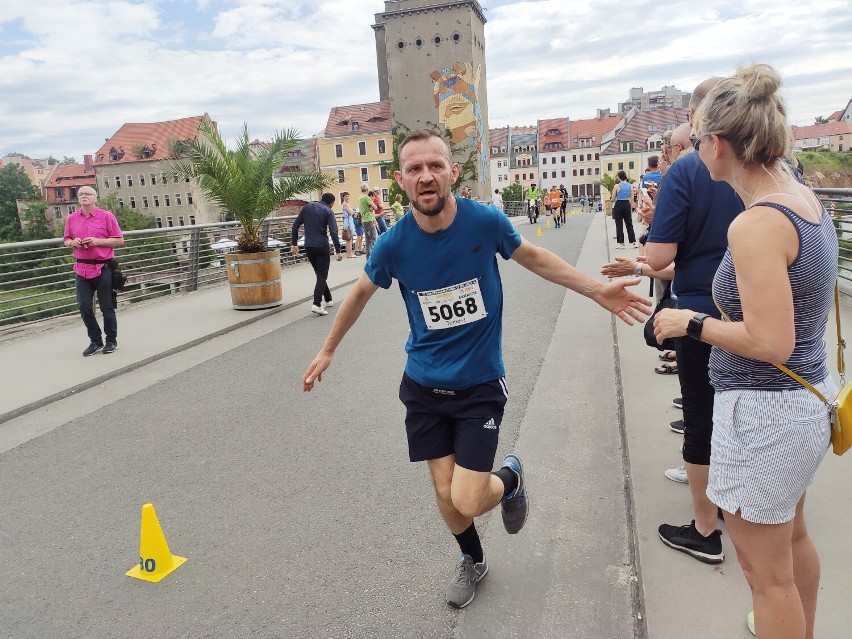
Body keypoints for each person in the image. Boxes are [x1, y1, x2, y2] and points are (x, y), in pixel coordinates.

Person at [301, 130, 652, 610]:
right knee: (445, 493)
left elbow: (535, 258)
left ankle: (511, 477)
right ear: (401, 179)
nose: (426, 176)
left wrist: (594, 289)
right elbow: (359, 293)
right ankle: (473, 559)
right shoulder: (392, 244)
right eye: (414, 169)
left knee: (467, 497)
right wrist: (328, 350)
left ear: (452, 172)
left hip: (478, 385)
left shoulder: (483, 222)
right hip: (423, 386)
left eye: (435, 166)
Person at [655, 64, 837, 639]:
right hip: (805, 401)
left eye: (696, 139)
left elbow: (768, 341)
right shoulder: (802, 199)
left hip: (766, 415)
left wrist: (692, 322)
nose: (693, 149)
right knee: (794, 540)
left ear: (716, 145)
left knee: (767, 578)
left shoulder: (756, 225)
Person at [645, 77, 744, 563]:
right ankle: (732, 504)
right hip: (758, 314)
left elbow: (661, 254)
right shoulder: (778, 169)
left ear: (699, 117)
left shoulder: (687, 171)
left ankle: (705, 530)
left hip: (698, 312)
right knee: (738, 414)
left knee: (701, 417)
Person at [63, 186, 125, 356]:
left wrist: (98, 242)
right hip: (81, 268)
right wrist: (72, 243)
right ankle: (95, 341)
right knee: (84, 307)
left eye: (88, 194)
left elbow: (119, 241)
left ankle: (111, 340)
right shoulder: (72, 218)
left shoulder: (106, 216)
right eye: (81, 194)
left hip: (102, 266)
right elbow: (66, 239)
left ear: (95, 198)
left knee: (106, 307)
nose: (84, 196)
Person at [291, 193, 342, 316]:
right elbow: (334, 232)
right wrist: (338, 251)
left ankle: (328, 299)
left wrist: (294, 243)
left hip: (308, 246)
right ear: (331, 203)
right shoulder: (328, 212)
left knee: (319, 274)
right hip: (322, 246)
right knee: (322, 275)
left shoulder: (307, 207)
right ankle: (317, 304)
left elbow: (295, 225)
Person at [611, 171, 638, 249]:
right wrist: (632, 206)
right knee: (629, 223)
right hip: (627, 204)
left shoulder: (617, 186)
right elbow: (632, 197)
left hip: (619, 204)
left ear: (619, 177)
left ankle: (621, 243)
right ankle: (633, 242)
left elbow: (613, 198)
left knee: (619, 224)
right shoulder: (630, 186)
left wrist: (612, 200)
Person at [358, 183, 378, 258]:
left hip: (364, 220)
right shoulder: (366, 197)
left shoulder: (360, 197)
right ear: (367, 189)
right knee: (373, 239)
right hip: (369, 220)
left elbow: (370, 208)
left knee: (367, 240)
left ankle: (368, 257)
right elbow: (375, 207)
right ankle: (374, 256)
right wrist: (372, 203)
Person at [340, 192, 357, 258]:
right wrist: (353, 211)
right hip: (348, 221)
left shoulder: (346, 204)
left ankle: (349, 253)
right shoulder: (345, 204)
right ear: (343, 197)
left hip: (347, 220)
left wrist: (352, 211)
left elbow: (351, 211)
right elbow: (351, 212)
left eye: (348, 196)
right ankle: (349, 254)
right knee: (349, 238)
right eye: (346, 196)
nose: (347, 197)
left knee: (348, 238)